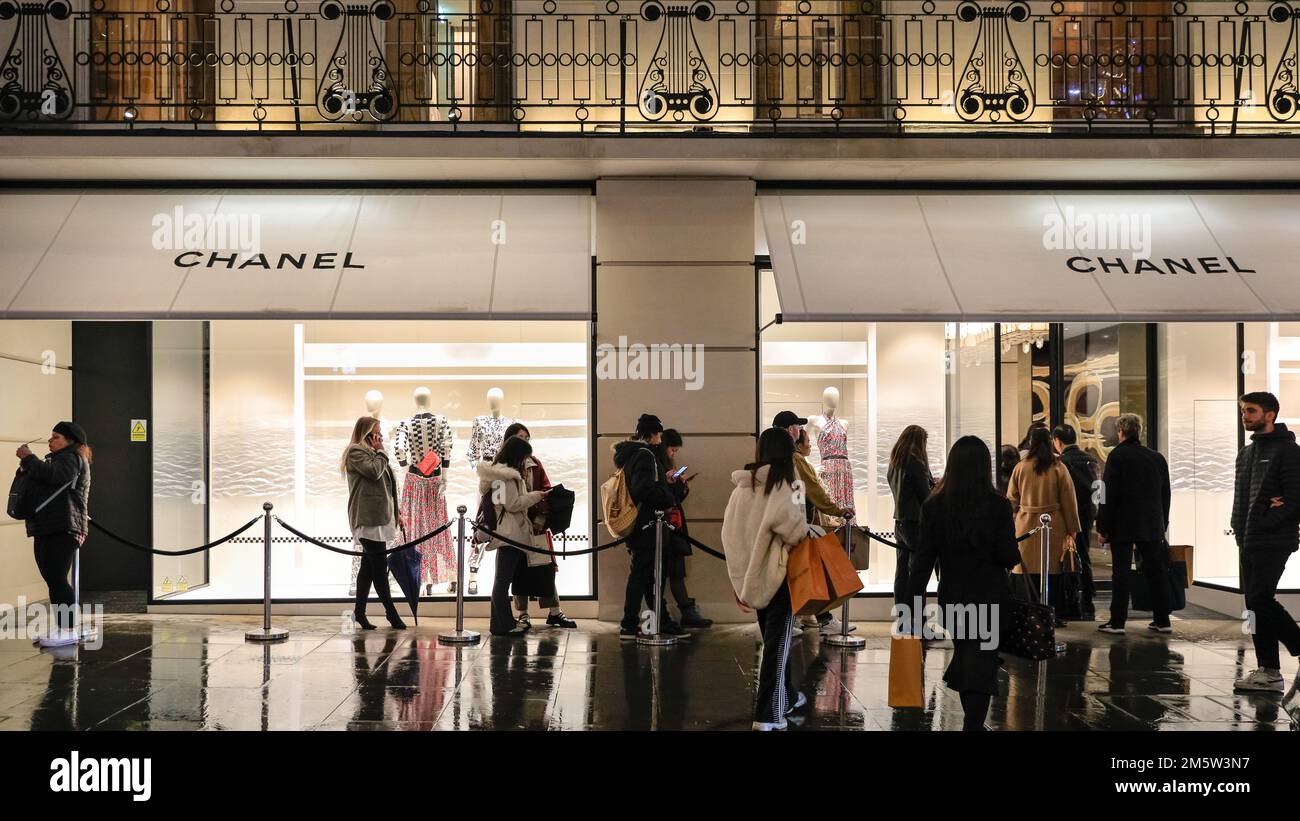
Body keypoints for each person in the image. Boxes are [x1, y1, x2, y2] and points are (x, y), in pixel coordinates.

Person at [909, 436, 1021, 731]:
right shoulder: (998, 506)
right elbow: (1009, 556)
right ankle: (973, 724)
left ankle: (973, 722)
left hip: (954, 596)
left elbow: (923, 558)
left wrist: (912, 600)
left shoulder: (935, 506)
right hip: (990, 595)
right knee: (980, 660)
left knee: (968, 655)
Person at [721, 428, 812, 730]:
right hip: (782, 576)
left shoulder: (741, 488)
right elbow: (796, 528)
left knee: (776, 643)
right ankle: (768, 714)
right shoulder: (791, 481)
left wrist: (741, 581)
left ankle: (784, 699)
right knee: (778, 646)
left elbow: (730, 536)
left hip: (755, 578)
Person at [1229, 392, 1300, 691]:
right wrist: (1239, 526)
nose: (1246, 415)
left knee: (1260, 597)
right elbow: (1241, 497)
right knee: (1253, 607)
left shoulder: (1290, 451)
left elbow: (1295, 499)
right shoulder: (1246, 453)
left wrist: (1266, 521)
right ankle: (1268, 671)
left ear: (1269, 415)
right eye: (1244, 410)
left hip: (1274, 539)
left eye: (1252, 410)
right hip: (1248, 539)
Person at [15, 422, 93, 648]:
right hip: (49, 525)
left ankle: (68, 628)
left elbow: (56, 477)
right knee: (53, 578)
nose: (50, 441)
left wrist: (29, 458)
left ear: (70, 441)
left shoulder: (71, 460)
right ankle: (64, 626)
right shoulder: (59, 459)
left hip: (64, 526)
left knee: (57, 578)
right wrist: (27, 465)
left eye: (56, 437)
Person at [1094, 413, 1172, 635]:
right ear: (1139, 430)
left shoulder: (1117, 457)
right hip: (1152, 524)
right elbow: (1165, 494)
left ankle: (1117, 621)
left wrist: (1103, 527)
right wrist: (1162, 523)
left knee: (1121, 573)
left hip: (1123, 525)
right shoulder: (1157, 458)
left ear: (1121, 431)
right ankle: (1162, 619)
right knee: (1156, 572)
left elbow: (1108, 495)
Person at [615, 414, 690, 640]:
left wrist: (665, 483)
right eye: (658, 433)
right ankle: (629, 624)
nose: (660, 438)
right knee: (641, 576)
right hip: (648, 526)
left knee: (647, 577)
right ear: (651, 434)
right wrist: (668, 495)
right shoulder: (645, 455)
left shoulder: (632, 455)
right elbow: (644, 490)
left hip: (642, 526)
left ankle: (660, 620)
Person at [502, 423, 577, 631]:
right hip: (514, 529)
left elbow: (545, 488)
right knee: (519, 572)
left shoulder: (534, 463)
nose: (525, 441)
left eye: (527, 437)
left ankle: (554, 612)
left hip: (537, 525)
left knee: (546, 569)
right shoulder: (504, 467)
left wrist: (542, 515)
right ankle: (522, 614)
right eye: (520, 437)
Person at [1006, 426, 1081, 626]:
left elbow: (1012, 499)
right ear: (1050, 442)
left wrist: (1012, 520)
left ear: (1030, 443)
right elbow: (1069, 500)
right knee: (1052, 572)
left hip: (1026, 525)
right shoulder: (1058, 467)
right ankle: (1051, 614)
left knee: (1026, 571)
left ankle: (1027, 614)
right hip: (1054, 524)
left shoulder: (1020, 467)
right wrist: (1072, 529)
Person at [477, 435, 547, 636]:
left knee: (501, 580)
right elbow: (513, 505)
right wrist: (536, 496)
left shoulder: (495, 474)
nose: (526, 461)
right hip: (511, 532)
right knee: (502, 581)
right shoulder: (509, 477)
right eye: (524, 456)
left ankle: (499, 623)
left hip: (502, 531)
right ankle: (504, 624)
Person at [342, 416, 407, 630]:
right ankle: (391, 613)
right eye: (376, 432)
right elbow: (374, 472)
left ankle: (359, 612)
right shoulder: (355, 452)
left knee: (368, 568)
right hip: (368, 517)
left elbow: (387, 485)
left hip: (380, 516)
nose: (380, 437)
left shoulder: (373, 453)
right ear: (367, 433)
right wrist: (381, 452)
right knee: (379, 567)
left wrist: (396, 511)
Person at [792, 427, 854, 635]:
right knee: (814, 570)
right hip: (803, 525)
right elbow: (813, 491)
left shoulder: (792, 461)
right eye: (808, 440)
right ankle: (823, 619)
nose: (811, 444)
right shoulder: (798, 461)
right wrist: (836, 510)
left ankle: (808, 618)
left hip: (799, 522)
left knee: (802, 571)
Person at [658, 429, 711, 629]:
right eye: (672, 450)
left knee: (675, 572)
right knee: (671, 573)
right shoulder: (657, 467)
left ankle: (682, 613)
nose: (674, 454)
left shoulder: (661, 467)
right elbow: (668, 498)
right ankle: (674, 616)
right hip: (668, 526)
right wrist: (678, 485)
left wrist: (680, 485)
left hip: (672, 526)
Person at [1053, 424, 1100, 620]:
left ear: (1058, 441)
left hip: (1067, 517)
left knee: (1066, 558)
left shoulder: (1061, 463)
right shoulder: (1091, 460)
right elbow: (1099, 489)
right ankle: (1088, 598)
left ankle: (1070, 598)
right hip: (1087, 515)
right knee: (1084, 556)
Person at [888, 425, 934, 609]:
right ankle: (917, 622)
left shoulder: (895, 462)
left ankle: (903, 618)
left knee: (901, 573)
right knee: (917, 574)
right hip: (916, 525)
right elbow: (926, 496)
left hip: (900, 522)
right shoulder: (916, 463)